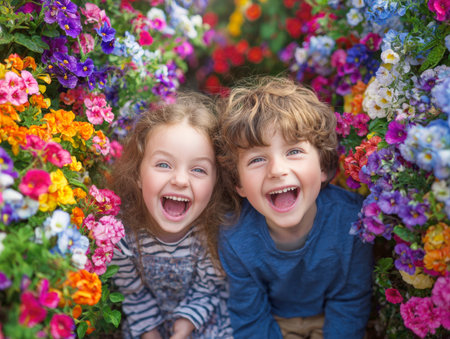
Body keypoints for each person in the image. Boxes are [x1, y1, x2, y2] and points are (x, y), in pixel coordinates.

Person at [217, 76, 373, 339]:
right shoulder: (235, 237)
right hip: (274, 323)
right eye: (257, 159)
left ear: (323, 166)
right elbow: (250, 315)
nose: (277, 170)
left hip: (331, 320)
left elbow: (350, 302)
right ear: (238, 183)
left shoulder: (351, 220)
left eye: (294, 152)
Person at [109, 93, 233, 339]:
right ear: (137, 174)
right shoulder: (122, 235)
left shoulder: (214, 230)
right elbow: (133, 293)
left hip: (204, 322)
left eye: (198, 169)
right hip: (148, 324)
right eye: (164, 165)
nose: (179, 180)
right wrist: (150, 333)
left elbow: (209, 288)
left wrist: (185, 326)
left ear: (215, 182)